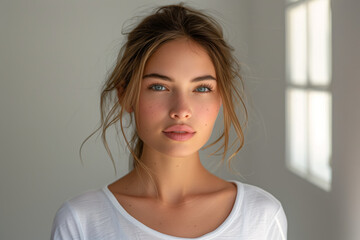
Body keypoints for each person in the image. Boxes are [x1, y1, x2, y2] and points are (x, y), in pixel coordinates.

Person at [51, 3, 287, 240]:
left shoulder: (261, 216)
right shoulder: (82, 221)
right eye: (159, 87)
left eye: (202, 88)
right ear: (126, 95)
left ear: (221, 99)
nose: (181, 110)